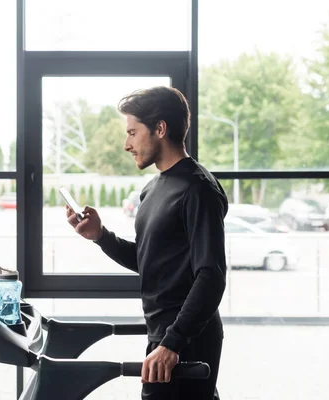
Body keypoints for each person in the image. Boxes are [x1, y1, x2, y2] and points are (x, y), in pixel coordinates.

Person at [65, 86, 228, 400]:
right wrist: (100, 236)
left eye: (132, 132)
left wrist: (173, 343)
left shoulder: (198, 190)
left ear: (160, 129)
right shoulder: (152, 189)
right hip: (165, 335)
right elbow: (149, 260)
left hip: (187, 338)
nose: (126, 144)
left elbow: (211, 275)